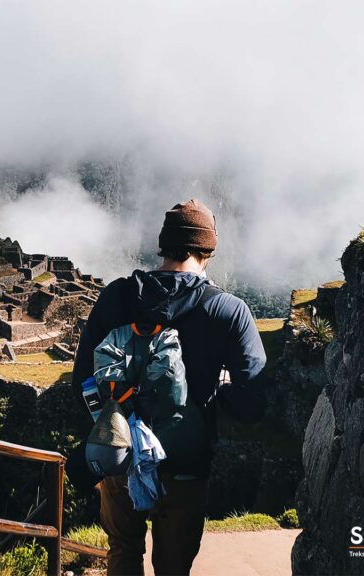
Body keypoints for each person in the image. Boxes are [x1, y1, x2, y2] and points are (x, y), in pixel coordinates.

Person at [71, 198, 267, 575]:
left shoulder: (117, 296)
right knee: (173, 567)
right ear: (208, 248)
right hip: (185, 466)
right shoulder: (228, 311)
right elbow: (252, 404)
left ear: (164, 244)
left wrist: (116, 422)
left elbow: (83, 381)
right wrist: (220, 387)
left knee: (123, 552)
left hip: (120, 458)